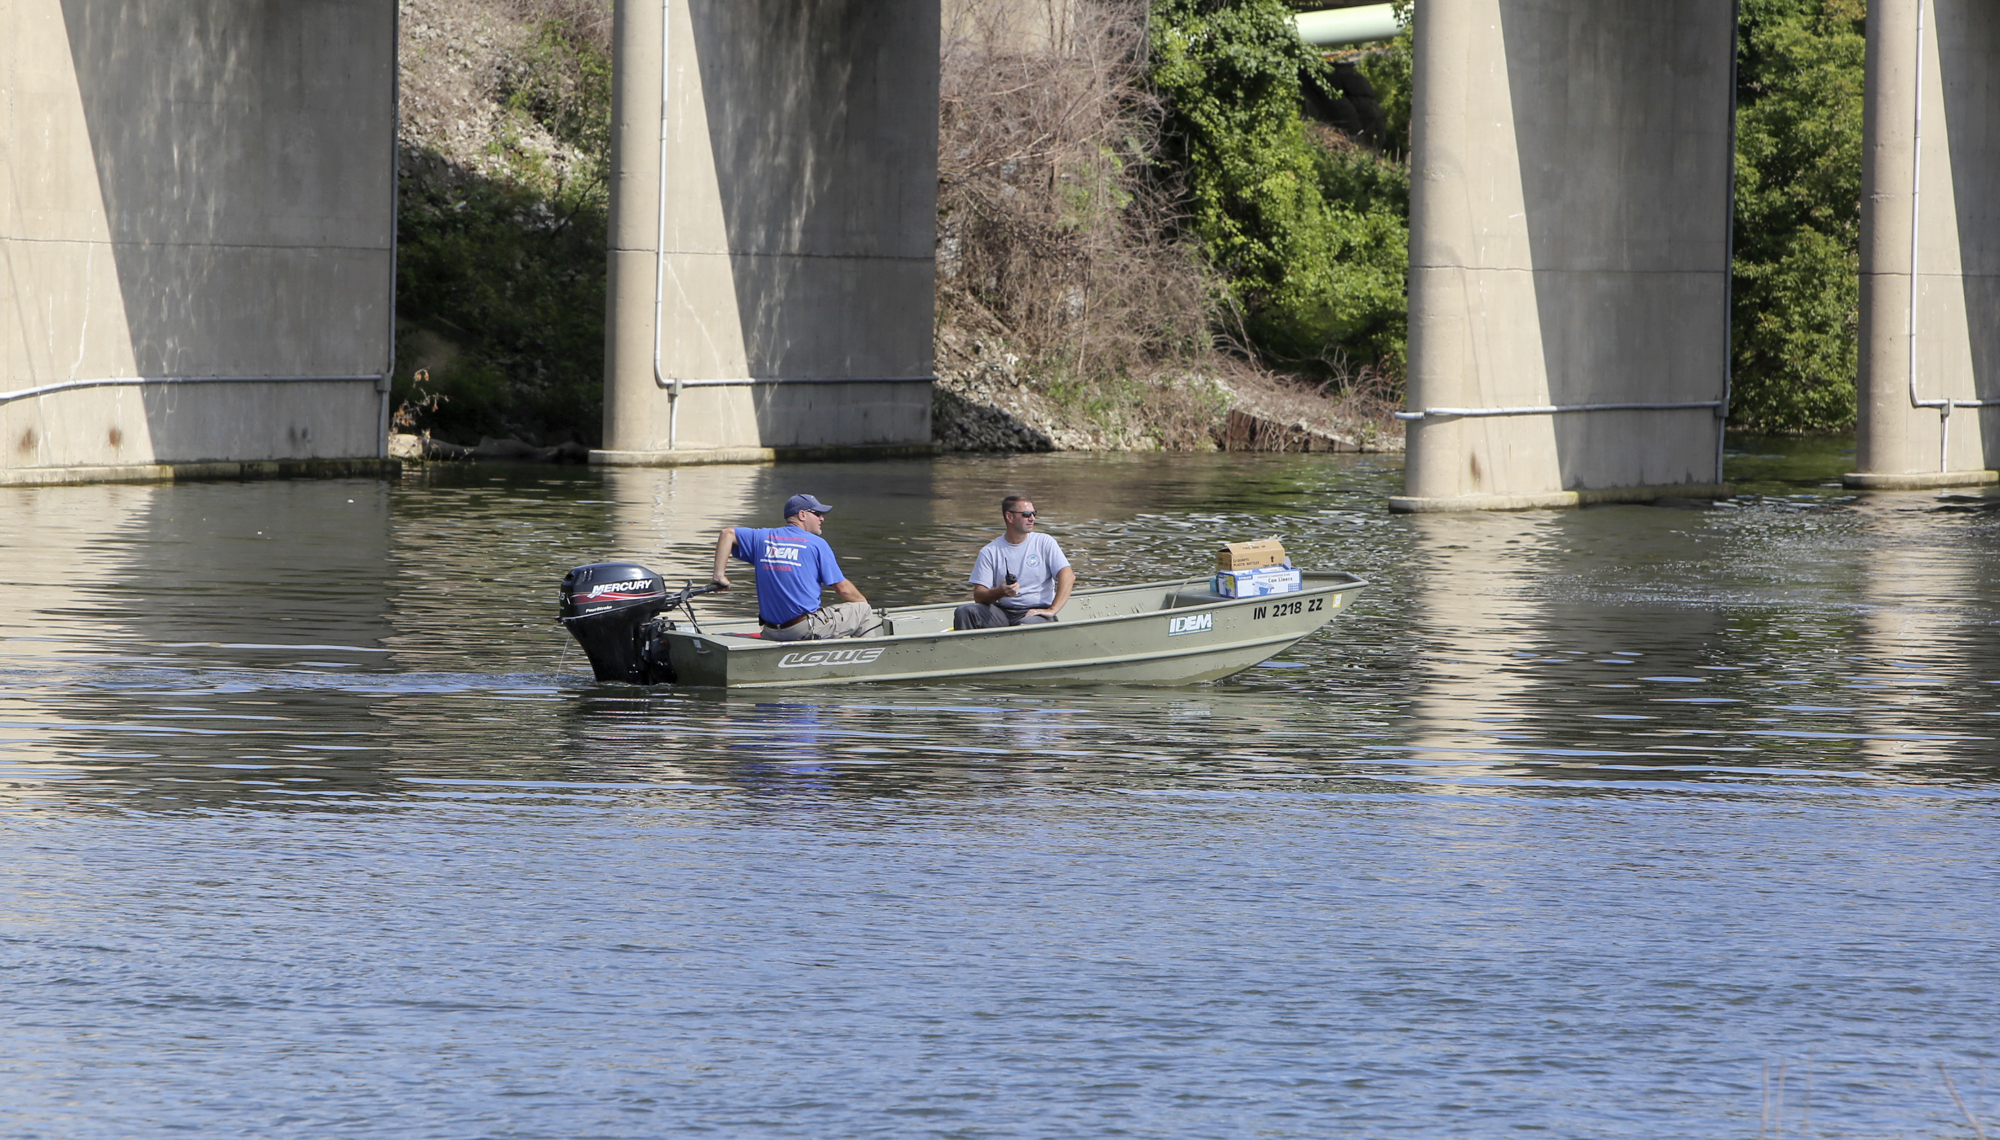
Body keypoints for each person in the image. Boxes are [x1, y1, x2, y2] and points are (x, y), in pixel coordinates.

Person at [712, 493, 873, 641]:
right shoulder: (817, 544)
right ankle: (870, 662)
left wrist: (719, 576)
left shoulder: (762, 538)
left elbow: (727, 533)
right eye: (817, 514)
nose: (822, 518)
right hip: (802, 630)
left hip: (770, 632)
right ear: (802, 515)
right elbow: (843, 589)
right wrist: (862, 602)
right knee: (863, 610)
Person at [954, 494, 1075, 630]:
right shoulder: (989, 551)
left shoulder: (1045, 542)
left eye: (1034, 513)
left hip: (1037, 613)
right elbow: (979, 596)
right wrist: (1000, 591)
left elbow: (1068, 576)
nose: (1032, 518)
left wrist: (1052, 610)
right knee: (964, 612)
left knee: (1023, 626)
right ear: (1009, 517)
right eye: (1026, 514)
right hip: (1003, 612)